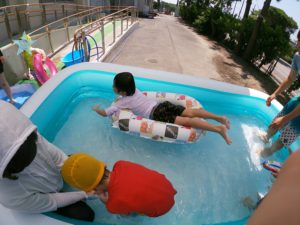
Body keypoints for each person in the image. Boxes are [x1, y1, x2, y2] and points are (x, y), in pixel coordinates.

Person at [0, 100, 95, 221]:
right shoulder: (9, 195)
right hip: (45, 194)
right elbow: (51, 200)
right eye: (23, 162)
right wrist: (83, 195)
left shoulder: (30, 138)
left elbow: (60, 159)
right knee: (84, 215)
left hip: (53, 176)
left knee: (77, 163)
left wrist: (90, 179)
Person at [93, 72, 232, 145]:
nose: (112, 87)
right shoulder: (136, 90)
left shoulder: (121, 103)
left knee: (185, 121)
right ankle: (219, 117)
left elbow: (106, 113)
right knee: (190, 112)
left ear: (121, 92)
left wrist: (97, 109)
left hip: (157, 114)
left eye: (114, 86)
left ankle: (218, 129)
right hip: (161, 104)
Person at [61, 153, 177, 217]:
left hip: (161, 209)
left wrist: (105, 200)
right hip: (168, 186)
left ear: (93, 189)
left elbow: (125, 213)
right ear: (103, 165)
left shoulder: (113, 204)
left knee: (129, 215)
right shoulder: (121, 164)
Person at [259, 30, 300, 157]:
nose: (297, 44)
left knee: (289, 132)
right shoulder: (298, 56)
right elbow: (289, 79)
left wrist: (285, 119)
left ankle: (269, 152)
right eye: (298, 40)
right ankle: (266, 137)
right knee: (277, 119)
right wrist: (274, 94)